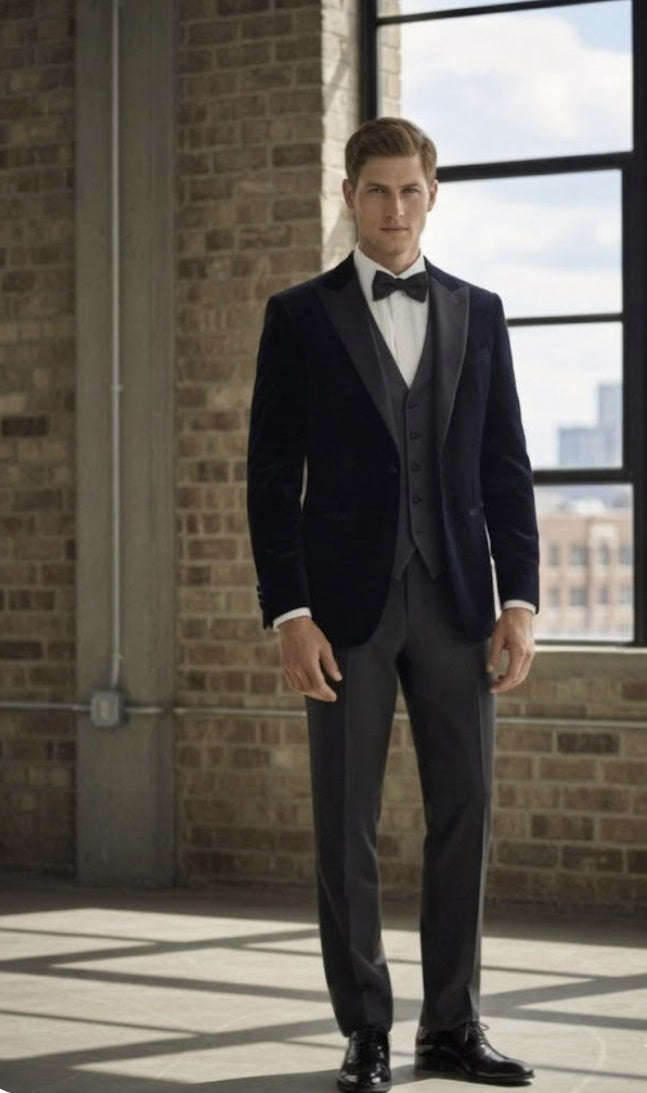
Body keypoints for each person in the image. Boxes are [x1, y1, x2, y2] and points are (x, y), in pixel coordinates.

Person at [247, 116, 539, 1091]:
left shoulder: (478, 311)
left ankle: (449, 1024)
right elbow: (267, 477)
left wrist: (521, 600)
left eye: (409, 190)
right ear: (347, 196)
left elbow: (504, 468)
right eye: (375, 190)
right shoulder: (298, 316)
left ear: (431, 194)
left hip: (458, 599)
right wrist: (287, 614)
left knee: (465, 810)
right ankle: (365, 1029)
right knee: (347, 825)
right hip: (341, 612)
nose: (393, 208)